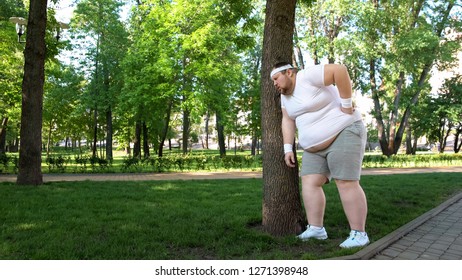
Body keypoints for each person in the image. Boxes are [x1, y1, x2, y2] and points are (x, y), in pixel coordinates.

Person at [270, 62, 369, 248]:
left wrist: (347, 105)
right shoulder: (285, 98)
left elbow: (340, 70)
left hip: (343, 132)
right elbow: (287, 120)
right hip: (312, 149)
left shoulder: (307, 76)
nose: (274, 83)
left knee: (346, 182)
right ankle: (316, 229)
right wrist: (287, 149)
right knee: (309, 182)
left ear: (289, 72)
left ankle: (359, 234)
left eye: (276, 78)